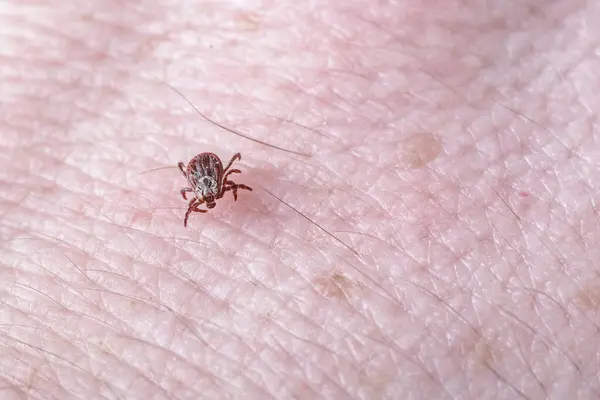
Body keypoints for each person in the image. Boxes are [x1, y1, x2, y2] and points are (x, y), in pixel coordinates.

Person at [1, 1, 596, 398]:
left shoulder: (213, 182)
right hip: (208, 162)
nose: (210, 196)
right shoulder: (208, 181)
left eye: (208, 193)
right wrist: (209, 188)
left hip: (210, 162)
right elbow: (204, 177)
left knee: (234, 181)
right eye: (205, 195)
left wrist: (215, 188)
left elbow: (210, 176)